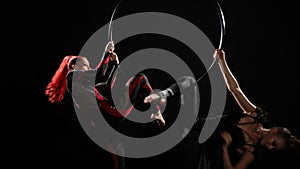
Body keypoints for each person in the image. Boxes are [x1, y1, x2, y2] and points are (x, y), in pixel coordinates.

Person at [144, 49, 300, 169]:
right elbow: (235, 89)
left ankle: (159, 117)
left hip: (199, 146)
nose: (270, 147)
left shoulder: (251, 150)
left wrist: (225, 148)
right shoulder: (254, 115)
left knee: (181, 155)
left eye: (274, 149)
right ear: (273, 132)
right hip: (193, 125)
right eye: (274, 143)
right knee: (189, 81)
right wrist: (221, 61)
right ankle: (163, 95)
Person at [46, 41, 165, 168]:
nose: (88, 68)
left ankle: (155, 111)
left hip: (106, 123)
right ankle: (156, 111)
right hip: (107, 117)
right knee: (140, 78)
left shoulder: (88, 87)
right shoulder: (71, 77)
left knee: (120, 161)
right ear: (74, 66)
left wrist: (114, 63)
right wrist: (106, 51)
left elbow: (107, 83)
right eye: (85, 65)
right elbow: (99, 73)